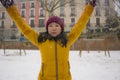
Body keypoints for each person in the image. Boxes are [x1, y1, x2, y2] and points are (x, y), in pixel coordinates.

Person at [0, 0, 96, 80]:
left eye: (56, 25)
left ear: (61, 28)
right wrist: (11, 8)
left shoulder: (67, 40)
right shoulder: (41, 40)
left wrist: (89, 7)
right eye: (50, 26)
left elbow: (80, 25)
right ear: (47, 28)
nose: (53, 28)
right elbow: (24, 28)